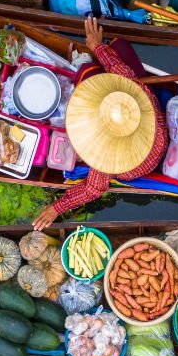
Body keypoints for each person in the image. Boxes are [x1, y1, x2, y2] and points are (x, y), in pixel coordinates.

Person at [33, 18, 168, 230]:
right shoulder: (141, 95)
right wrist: (97, 45)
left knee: (86, 72)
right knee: (119, 49)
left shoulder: (105, 157)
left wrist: (56, 208)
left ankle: (88, 67)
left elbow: (93, 189)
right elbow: (119, 69)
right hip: (155, 137)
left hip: (138, 164)